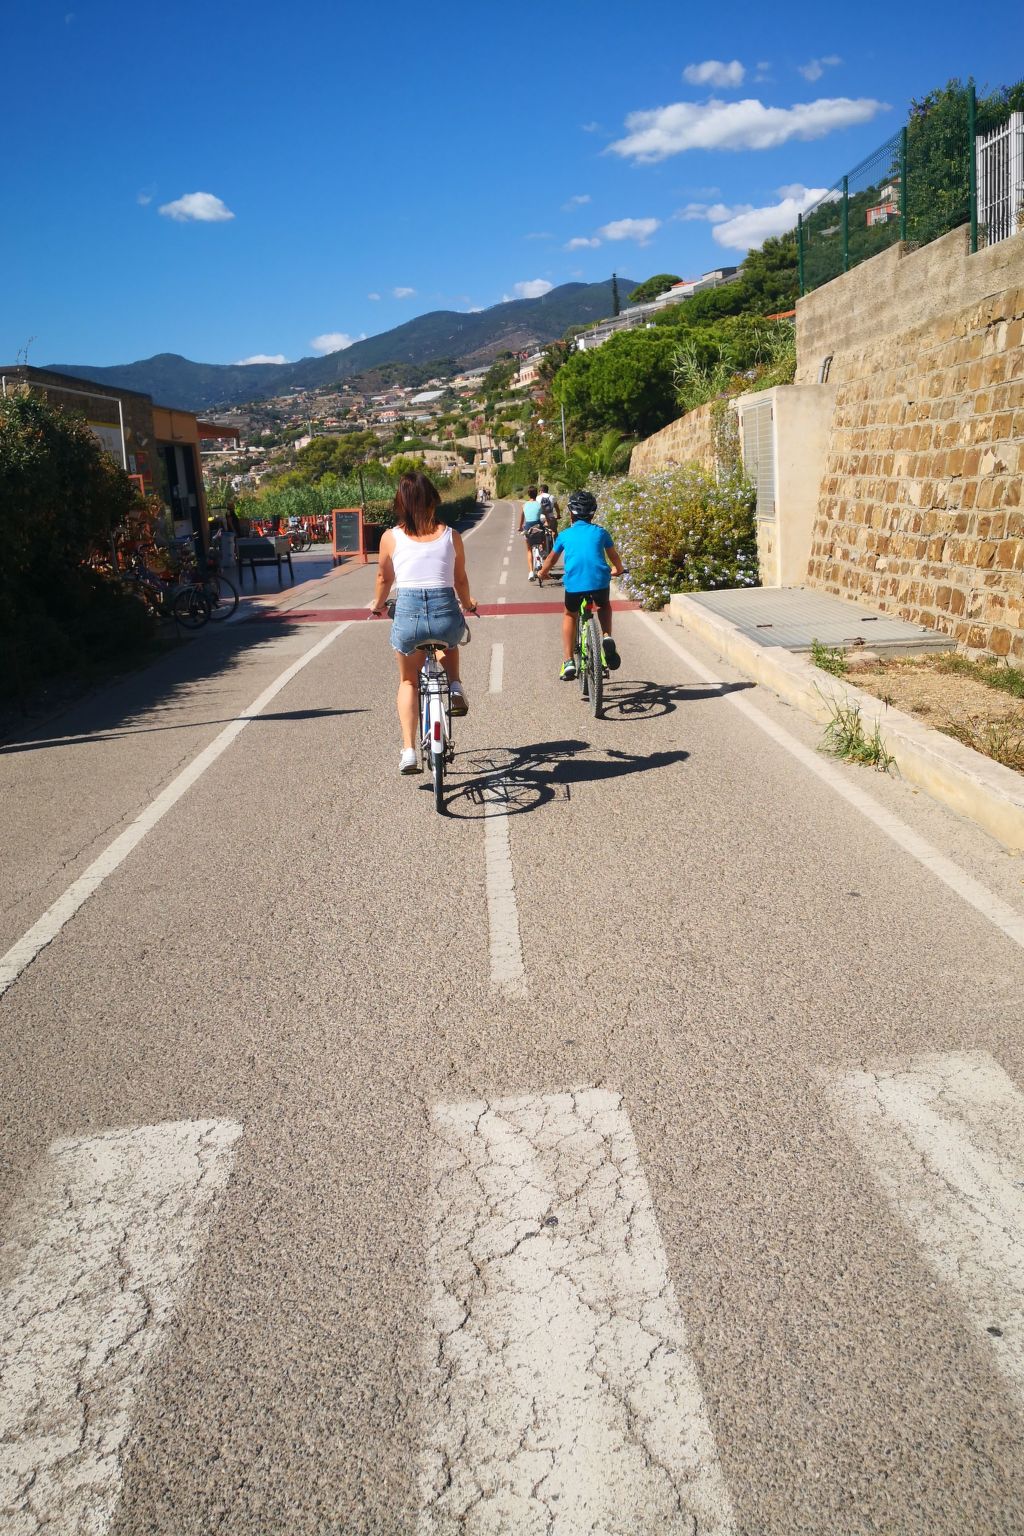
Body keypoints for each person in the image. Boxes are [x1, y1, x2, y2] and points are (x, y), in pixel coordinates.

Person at [370, 472, 477, 775]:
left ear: (400, 504)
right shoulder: (451, 535)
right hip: (445, 617)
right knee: (450, 639)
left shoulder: (390, 537)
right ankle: (454, 685)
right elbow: (459, 580)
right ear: (434, 500)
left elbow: (384, 578)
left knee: (408, 681)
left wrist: (377, 606)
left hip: (409, 619)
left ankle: (408, 752)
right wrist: (468, 604)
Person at [538, 488, 624, 680]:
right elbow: (613, 556)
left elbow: (552, 558)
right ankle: (607, 636)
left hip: (575, 584)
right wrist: (618, 568)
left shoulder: (565, 535)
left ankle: (568, 661)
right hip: (599, 581)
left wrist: (542, 572)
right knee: (603, 605)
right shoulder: (601, 532)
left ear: (570, 513)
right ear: (593, 513)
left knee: (570, 614)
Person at [517, 485, 546, 579]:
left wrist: (520, 528)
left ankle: (530, 572)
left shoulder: (524, 505)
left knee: (529, 550)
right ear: (536, 494)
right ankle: (543, 551)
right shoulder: (539, 504)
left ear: (528, 494)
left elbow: (521, 520)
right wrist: (547, 522)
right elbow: (546, 516)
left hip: (528, 528)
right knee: (543, 537)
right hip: (538, 527)